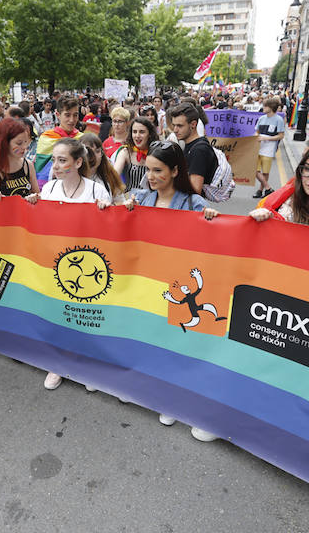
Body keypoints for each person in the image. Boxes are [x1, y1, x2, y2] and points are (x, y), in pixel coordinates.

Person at [122, 140, 220, 442]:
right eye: (148, 170)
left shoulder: (192, 204)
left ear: (176, 170)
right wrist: (115, 210)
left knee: (171, 344)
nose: (150, 176)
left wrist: (212, 220)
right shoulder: (138, 197)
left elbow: (212, 238)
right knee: (144, 336)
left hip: (174, 286)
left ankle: (167, 400)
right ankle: (139, 387)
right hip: (144, 282)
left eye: (158, 170)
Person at [40, 138, 112, 391]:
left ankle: (87, 366)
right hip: (56, 265)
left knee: (84, 317)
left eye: (63, 160)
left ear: (78, 162)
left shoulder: (97, 191)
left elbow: (110, 233)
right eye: (54, 160)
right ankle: (57, 363)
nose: (56, 166)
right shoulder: (48, 190)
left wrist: (106, 212)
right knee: (59, 314)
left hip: (88, 266)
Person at [0, 117, 40, 201]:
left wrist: (34, 197)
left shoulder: (28, 165)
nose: (24, 147)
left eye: (26, 142)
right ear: (5, 144)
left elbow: (37, 194)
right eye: (19, 143)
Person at [34, 96, 85, 185]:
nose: (72, 120)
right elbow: (40, 168)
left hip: (79, 186)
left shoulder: (82, 138)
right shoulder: (47, 138)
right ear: (58, 115)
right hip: (52, 188)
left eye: (75, 115)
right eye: (67, 115)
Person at [169, 103, 215, 197]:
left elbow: (195, 189)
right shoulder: (190, 144)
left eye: (180, 126)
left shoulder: (199, 150)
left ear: (193, 124)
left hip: (191, 207)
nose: (175, 130)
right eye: (174, 125)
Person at [112, 117, 157, 194]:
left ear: (149, 134)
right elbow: (114, 175)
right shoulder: (126, 152)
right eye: (134, 132)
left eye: (142, 132)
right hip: (130, 199)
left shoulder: (157, 152)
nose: (137, 135)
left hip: (151, 200)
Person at [253, 97, 286, 199]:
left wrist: (268, 138)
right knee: (254, 169)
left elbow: (281, 135)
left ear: (271, 107)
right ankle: (268, 188)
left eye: (265, 106)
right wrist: (256, 137)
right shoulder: (261, 119)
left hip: (269, 148)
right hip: (259, 147)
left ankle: (260, 190)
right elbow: (257, 132)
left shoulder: (278, 120)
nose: (263, 108)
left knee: (265, 172)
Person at [80, 134, 125, 201]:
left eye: (97, 151)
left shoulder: (110, 176)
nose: (94, 156)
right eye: (89, 152)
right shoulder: (72, 178)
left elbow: (120, 202)